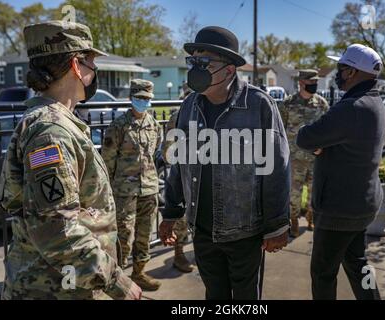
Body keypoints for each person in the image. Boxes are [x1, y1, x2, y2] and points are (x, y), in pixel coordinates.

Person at [0, 20, 141, 300]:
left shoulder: (56, 123)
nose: (94, 70)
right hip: (56, 287)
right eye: (91, 62)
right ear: (76, 66)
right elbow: (57, 229)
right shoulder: (51, 132)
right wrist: (116, 281)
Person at [159, 26, 290, 300]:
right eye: (193, 62)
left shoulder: (259, 105)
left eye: (204, 63)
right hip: (203, 232)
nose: (196, 69)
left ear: (229, 70)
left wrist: (277, 225)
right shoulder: (189, 106)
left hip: (244, 233)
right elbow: (179, 163)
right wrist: (171, 211)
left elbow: (277, 169)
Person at [296, 43, 385, 300]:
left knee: (323, 273)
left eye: (340, 67)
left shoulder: (351, 107)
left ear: (351, 72)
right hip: (362, 202)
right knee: (358, 262)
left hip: (339, 208)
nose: (337, 73)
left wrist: (320, 143)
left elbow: (305, 138)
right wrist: (324, 144)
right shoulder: (374, 101)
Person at [102, 79, 162, 291]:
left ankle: (139, 273)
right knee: (123, 235)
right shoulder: (118, 126)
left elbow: (153, 154)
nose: (144, 102)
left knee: (144, 234)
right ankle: (117, 278)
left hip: (149, 188)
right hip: (124, 190)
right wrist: (106, 190)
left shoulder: (154, 125)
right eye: (140, 98)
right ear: (131, 99)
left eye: (147, 99)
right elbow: (107, 160)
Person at [279, 69, 329, 237]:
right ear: (301, 83)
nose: (314, 85)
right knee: (294, 193)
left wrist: (324, 146)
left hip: (316, 158)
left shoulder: (321, 104)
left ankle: (311, 217)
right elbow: (279, 130)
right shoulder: (287, 104)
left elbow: (328, 129)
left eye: (315, 83)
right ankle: (293, 220)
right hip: (295, 159)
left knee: (314, 193)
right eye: (311, 83)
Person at [161, 108, 195, 273]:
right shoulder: (178, 117)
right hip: (184, 175)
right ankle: (179, 254)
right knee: (180, 217)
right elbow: (167, 151)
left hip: (205, 177)